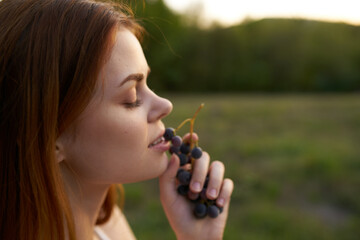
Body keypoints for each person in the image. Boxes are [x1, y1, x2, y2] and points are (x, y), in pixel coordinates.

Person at [0, 0, 234, 239]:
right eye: (132, 96)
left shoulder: (110, 226)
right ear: (48, 138)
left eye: (147, 83)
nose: (165, 106)